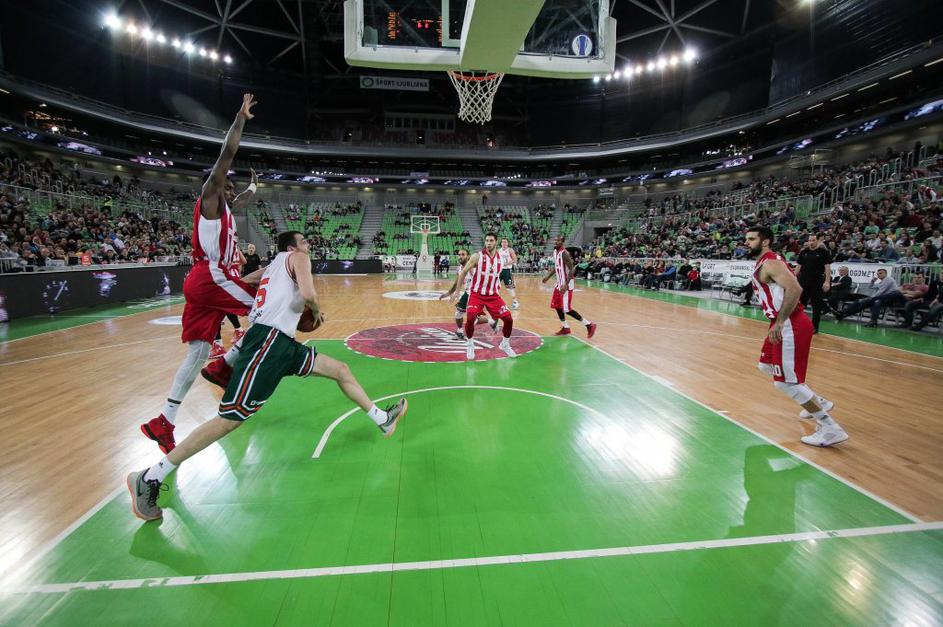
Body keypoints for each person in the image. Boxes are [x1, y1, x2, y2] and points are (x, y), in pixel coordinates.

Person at [129, 231, 407, 521]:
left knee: (340, 370)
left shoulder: (274, 265)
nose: (308, 245)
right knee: (229, 420)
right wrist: (315, 311)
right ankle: (150, 476)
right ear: (292, 247)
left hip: (282, 344)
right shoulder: (298, 258)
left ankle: (381, 419)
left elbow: (245, 281)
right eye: (303, 241)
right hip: (268, 343)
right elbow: (309, 294)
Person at [139, 95, 264, 455]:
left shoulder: (225, 207)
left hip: (203, 281)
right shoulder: (210, 196)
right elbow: (227, 155)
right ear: (215, 183)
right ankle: (225, 366)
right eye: (227, 185)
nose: (231, 189)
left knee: (197, 352)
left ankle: (164, 421)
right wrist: (240, 119)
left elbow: (241, 200)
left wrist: (254, 187)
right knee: (268, 310)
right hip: (212, 276)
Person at [745, 226, 848, 447]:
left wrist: (780, 321)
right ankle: (817, 401)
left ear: (765, 241)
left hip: (790, 323)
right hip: (782, 321)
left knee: (785, 383)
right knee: (766, 365)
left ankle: (829, 428)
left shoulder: (770, 262)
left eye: (752, 239)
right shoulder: (768, 261)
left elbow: (795, 289)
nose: (747, 242)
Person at [447, 233, 516, 360]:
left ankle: (505, 344)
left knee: (508, 319)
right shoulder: (477, 256)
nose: (488, 243)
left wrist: (509, 282)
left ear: (496, 242)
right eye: (487, 240)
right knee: (470, 318)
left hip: (493, 295)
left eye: (491, 240)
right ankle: (470, 344)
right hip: (476, 294)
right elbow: (463, 272)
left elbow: (502, 273)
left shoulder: (501, 258)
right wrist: (457, 291)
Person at [542, 235, 597, 338]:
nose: (555, 242)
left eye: (558, 240)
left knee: (567, 309)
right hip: (559, 284)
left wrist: (566, 284)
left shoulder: (565, 254)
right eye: (555, 240)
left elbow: (572, 270)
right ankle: (565, 327)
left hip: (566, 284)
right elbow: (557, 266)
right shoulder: (555, 252)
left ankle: (589, 325)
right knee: (557, 306)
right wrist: (548, 276)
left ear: (562, 242)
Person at [440, 248, 489, 340]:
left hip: (476, 295)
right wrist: (448, 293)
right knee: (459, 314)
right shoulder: (460, 268)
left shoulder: (473, 267)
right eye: (459, 255)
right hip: (467, 293)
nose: (460, 256)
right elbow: (456, 282)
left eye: (463, 255)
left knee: (471, 318)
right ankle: (460, 332)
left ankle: (491, 321)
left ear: (468, 256)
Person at [834, 268, 899, 327]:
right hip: (881, 298)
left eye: (881, 273)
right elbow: (871, 287)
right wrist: (872, 281)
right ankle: (843, 314)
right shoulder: (882, 282)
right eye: (878, 274)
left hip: (890, 299)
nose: (879, 275)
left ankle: (873, 321)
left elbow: (881, 292)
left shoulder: (888, 279)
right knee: (861, 303)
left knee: (875, 302)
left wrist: (870, 298)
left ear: (886, 274)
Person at [795, 234, 832, 333]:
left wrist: (827, 281)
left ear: (817, 241)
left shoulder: (823, 252)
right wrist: (793, 278)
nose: (811, 242)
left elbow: (827, 268)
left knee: (816, 305)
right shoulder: (804, 252)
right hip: (803, 281)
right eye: (810, 240)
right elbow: (798, 267)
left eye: (813, 240)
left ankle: (815, 326)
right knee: (800, 304)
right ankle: (798, 324)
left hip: (817, 281)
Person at [497, 238, 520, 310]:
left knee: (509, 288)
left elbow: (515, 259)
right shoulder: (498, 250)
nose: (504, 243)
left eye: (505, 242)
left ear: (507, 243)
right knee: (495, 286)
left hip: (507, 270)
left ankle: (515, 302)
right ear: (501, 243)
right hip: (499, 270)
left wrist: (507, 263)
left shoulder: (510, 250)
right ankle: (494, 303)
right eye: (502, 242)